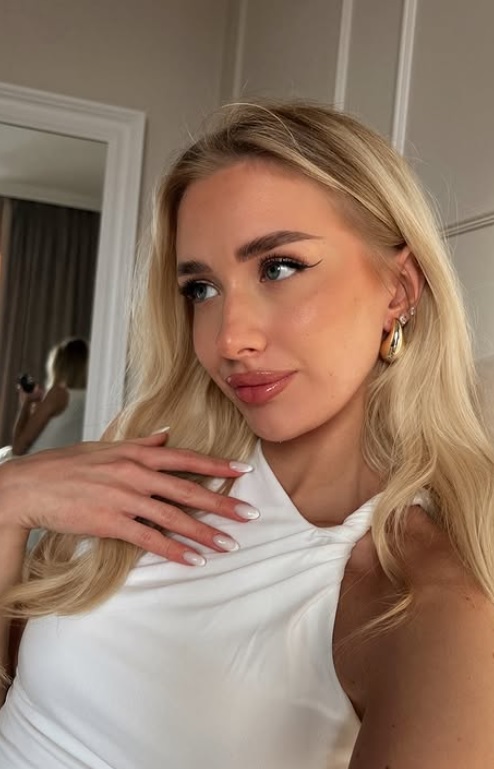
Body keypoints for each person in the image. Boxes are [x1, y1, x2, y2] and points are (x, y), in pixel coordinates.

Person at [1, 102, 494, 769]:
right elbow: (17, 685)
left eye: (279, 267)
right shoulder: (149, 453)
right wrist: (9, 500)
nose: (230, 339)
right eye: (201, 288)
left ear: (398, 289)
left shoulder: (421, 598)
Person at [12, 337, 88, 456]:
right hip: (60, 462)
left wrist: (26, 404)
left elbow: (18, 448)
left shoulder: (58, 394)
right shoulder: (88, 398)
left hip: (32, 462)